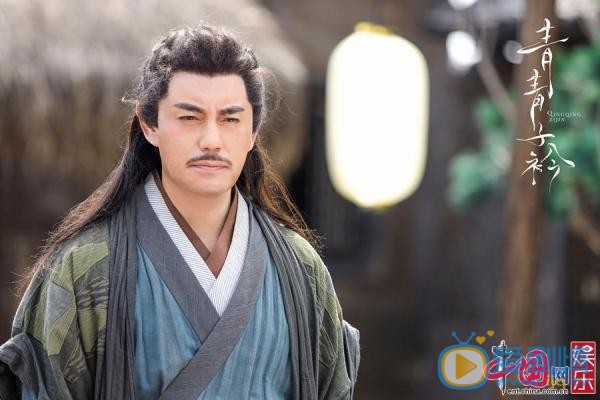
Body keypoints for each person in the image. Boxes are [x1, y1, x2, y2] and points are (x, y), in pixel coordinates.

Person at [0, 24, 360, 399]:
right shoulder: (86, 267)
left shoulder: (300, 269)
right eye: (190, 117)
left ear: (253, 132)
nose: (211, 140)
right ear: (149, 125)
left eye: (230, 119)